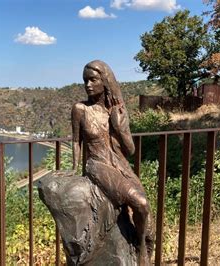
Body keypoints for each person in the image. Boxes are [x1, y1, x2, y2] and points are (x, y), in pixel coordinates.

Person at [72, 60, 151, 265]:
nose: (88, 85)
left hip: (118, 163)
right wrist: (74, 170)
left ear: (105, 82)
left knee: (144, 205)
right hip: (96, 164)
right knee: (140, 203)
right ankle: (140, 247)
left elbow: (131, 150)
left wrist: (120, 127)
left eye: (93, 80)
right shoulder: (80, 109)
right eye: (85, 81)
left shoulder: (115, 111)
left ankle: (141, 244)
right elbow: (75, 142)